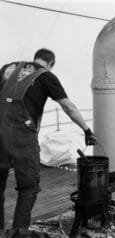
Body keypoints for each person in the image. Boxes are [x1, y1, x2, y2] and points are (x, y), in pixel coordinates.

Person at [0, 48, 97, 230]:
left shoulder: (7, 68)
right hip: (21, 136)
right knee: (28, 188)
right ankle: (18, 233)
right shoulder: (46, 76)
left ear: (35, 58)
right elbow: (68, 107)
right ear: (51, 64)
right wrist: (87, 130)